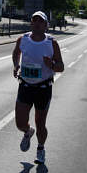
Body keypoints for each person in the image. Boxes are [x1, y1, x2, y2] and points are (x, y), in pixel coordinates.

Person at [12, 11, 64, 164]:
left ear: (46, 25)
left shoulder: (51, 43)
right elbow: (16, 53)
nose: (36, 23)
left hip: (43, 88)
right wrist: (16, 65)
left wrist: (52, 65)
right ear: (31, 23)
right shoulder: (23, 39)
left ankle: (40, 148)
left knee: (40, 123)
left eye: (40, 21)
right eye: (34, 20)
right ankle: (28, 132)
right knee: (20, 123)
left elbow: (61, 66)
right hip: (25, 86)